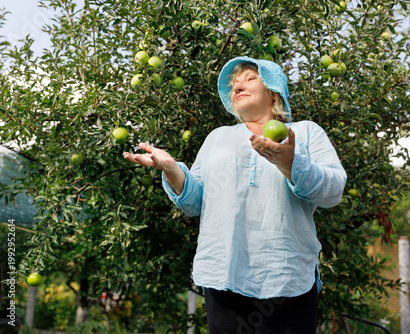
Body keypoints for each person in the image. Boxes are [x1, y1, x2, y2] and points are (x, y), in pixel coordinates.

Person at [123, 56, 347, 333]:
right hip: (224, 273)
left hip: (286, 276)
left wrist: (289, 163)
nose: (238, 86)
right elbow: (194, 202)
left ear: (273, 91)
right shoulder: (218, 137)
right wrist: (171, 168)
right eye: (234, 84)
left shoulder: (304, 133)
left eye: (250, 78)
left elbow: (333, 191)